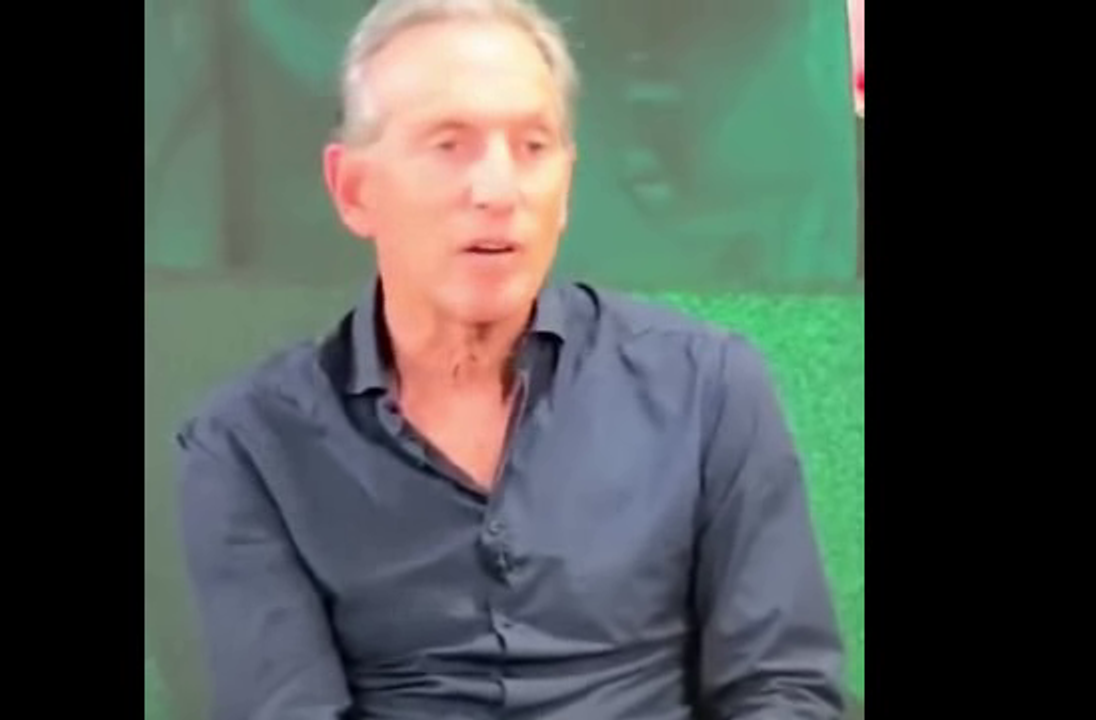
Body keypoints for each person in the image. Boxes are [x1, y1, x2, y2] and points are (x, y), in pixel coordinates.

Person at [175, 1, 847, 718]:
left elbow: (783, 687)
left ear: (566, 185)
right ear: (353, 189)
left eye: (533, 146)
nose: (499, 191)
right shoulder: (248, 446)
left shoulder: (708, 389)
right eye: (449, 144)